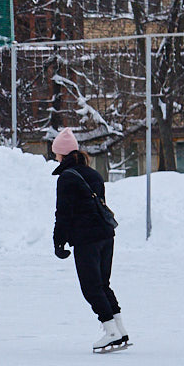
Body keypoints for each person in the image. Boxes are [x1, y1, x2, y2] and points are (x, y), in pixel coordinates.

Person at [51, 128, 128, 353]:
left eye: (55, 152)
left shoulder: (66, 178)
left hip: (87, 238)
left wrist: (58, 242)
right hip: (106, 234)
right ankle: (120, 329)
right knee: (103, 284)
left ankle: (110, 331)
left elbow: (63, 212)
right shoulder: (92, 174)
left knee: (91, 287)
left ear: (62, 154)